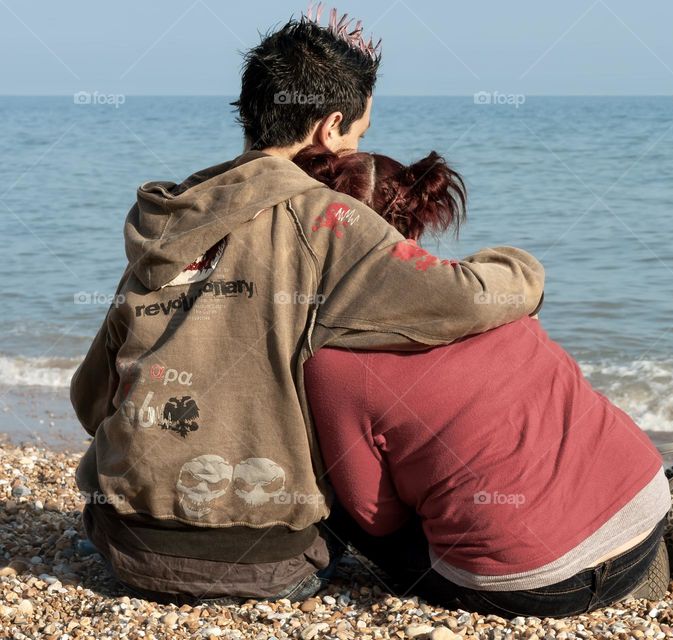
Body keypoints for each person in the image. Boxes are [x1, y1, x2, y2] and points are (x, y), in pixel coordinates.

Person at [71, 8, 544, 606]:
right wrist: (521, 267)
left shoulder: (171, 217)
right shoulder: (327, 217)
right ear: (330, 127)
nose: (353, 154)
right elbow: (468, 299)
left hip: (124, 545)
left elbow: (90, 399)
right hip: (266, 565)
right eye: (358, 137)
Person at [295, 149, 671, 617]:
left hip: (536, 584)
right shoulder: (486, 294)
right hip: (645, 505)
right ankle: (625, 562)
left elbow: (376, 516)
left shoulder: (332, 361)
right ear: (415, 223)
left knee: (342, 499)